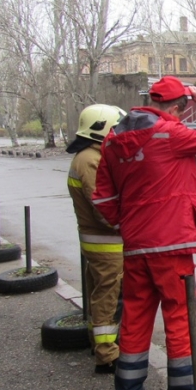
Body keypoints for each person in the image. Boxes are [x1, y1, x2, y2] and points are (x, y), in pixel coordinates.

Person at [93, 76, 196, 390]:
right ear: (176, 107)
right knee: (179, 318)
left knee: (136, 319)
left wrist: (128, 226)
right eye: (183, 109)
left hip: (136, 246)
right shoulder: (170, 135)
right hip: (172, 246)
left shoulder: (112, 142)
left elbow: (105, 199)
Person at [66, 104, 126, 374]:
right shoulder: (90, 159)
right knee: (107, 295)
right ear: (101, 128)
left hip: (98, 241)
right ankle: (107, 355)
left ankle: (99, 344)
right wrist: (127, 224)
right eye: (115, 127)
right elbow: (102, 206)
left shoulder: (87, 155)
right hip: (106, 242)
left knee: (99, 292)